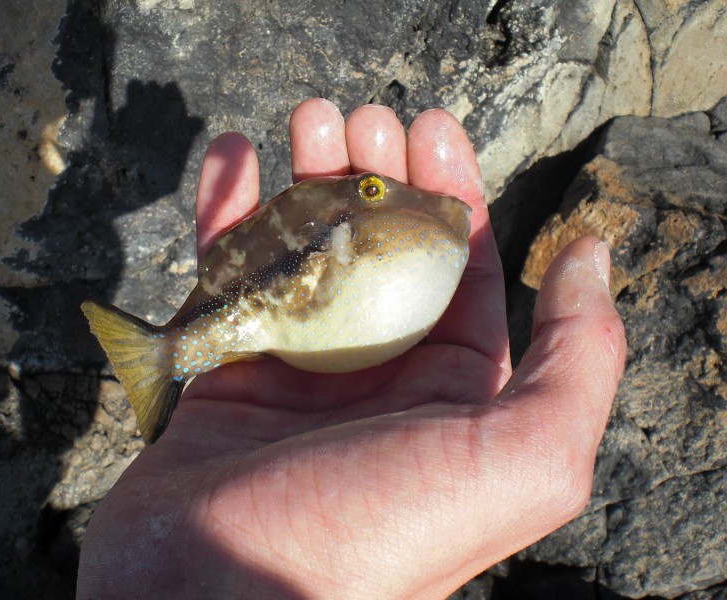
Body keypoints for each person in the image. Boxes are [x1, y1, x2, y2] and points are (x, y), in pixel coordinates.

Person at [76, 99, 626, 599]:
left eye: (373, 188)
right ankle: (162, 357)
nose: (377, 191)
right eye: (370, 190)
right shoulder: (334, 232)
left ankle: (163, 356)